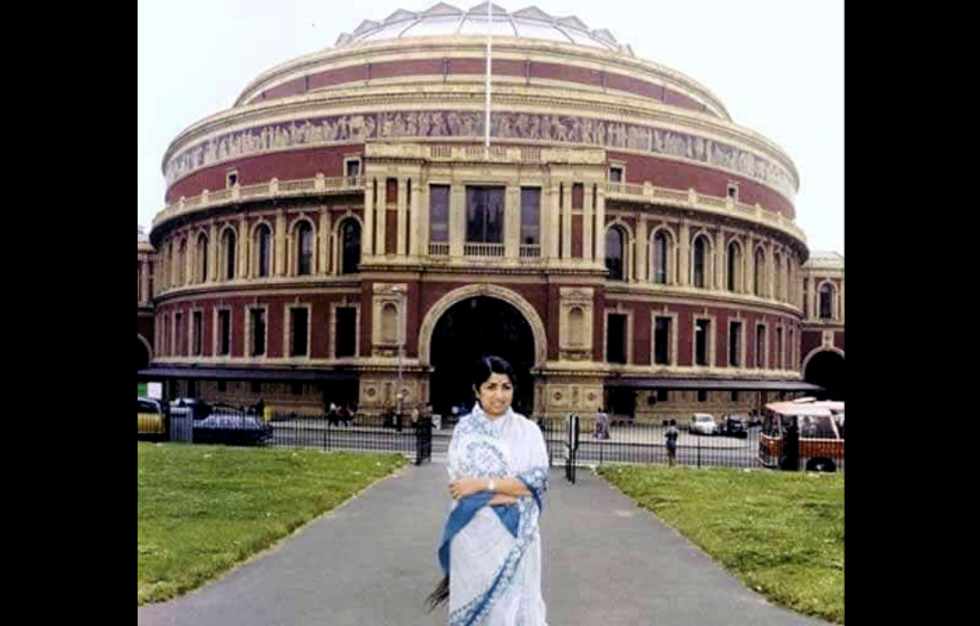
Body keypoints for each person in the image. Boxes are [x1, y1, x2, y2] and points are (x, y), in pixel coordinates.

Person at [427, 356, 550, 625]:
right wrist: (513, 491)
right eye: (491, 387)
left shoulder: (528, 431)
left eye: (506, 387)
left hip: (519, 537)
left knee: (518, 605)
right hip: (474, 539)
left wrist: (484, 485)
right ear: (476, 391)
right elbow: (462, 489)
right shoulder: (465, 432)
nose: (499, 395)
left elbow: (537, 482)